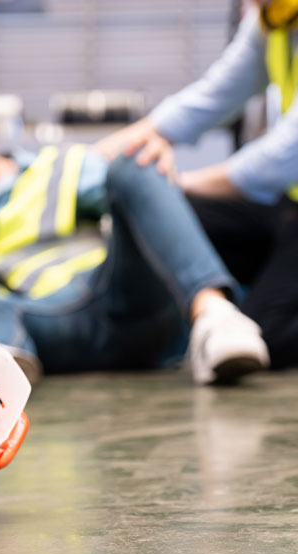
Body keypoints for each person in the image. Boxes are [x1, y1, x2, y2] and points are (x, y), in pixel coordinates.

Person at [0, 70, 269, 385]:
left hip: (118, 299)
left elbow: (140, 192)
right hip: (37, 337)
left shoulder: (59, 167)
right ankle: (2, 380)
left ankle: (214, 316)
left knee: (137, 160)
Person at [95, 0, 298, 370]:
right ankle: (211, 315)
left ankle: (222, 317)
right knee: (172, 224)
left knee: (267, 336)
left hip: (285, 195)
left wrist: (173, 184)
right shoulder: (274, 18)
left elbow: (282, 159)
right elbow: (207, 100)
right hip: (288, 210)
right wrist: (86, 161)